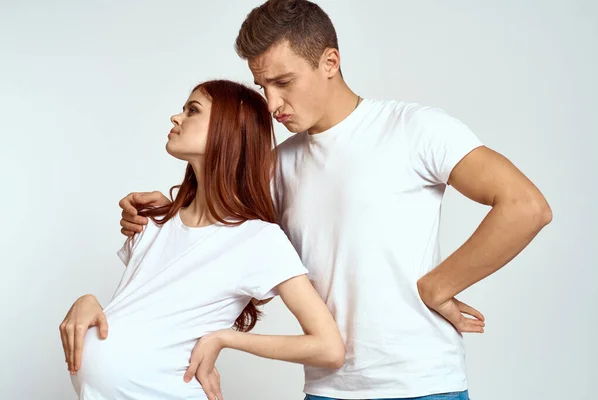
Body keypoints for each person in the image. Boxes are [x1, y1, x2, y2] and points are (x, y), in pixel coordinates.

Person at [118, 1, 553, 399]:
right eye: (262, 85)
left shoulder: (414, 128)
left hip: (423, 384)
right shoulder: (277, 164)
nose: (271, 103)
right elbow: (220, 237)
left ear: (330, 61)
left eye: (283, 82)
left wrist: (438, 287)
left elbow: (524, 206)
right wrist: (165, 210)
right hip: (328, 388)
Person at [59, 79, 345, 400]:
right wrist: (86, 301)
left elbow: (329, 347)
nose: (176, 118)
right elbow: (137, 310)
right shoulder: (154, 221)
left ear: (229, 130)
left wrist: (225, 338)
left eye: (192, 110)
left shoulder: (257, 240)